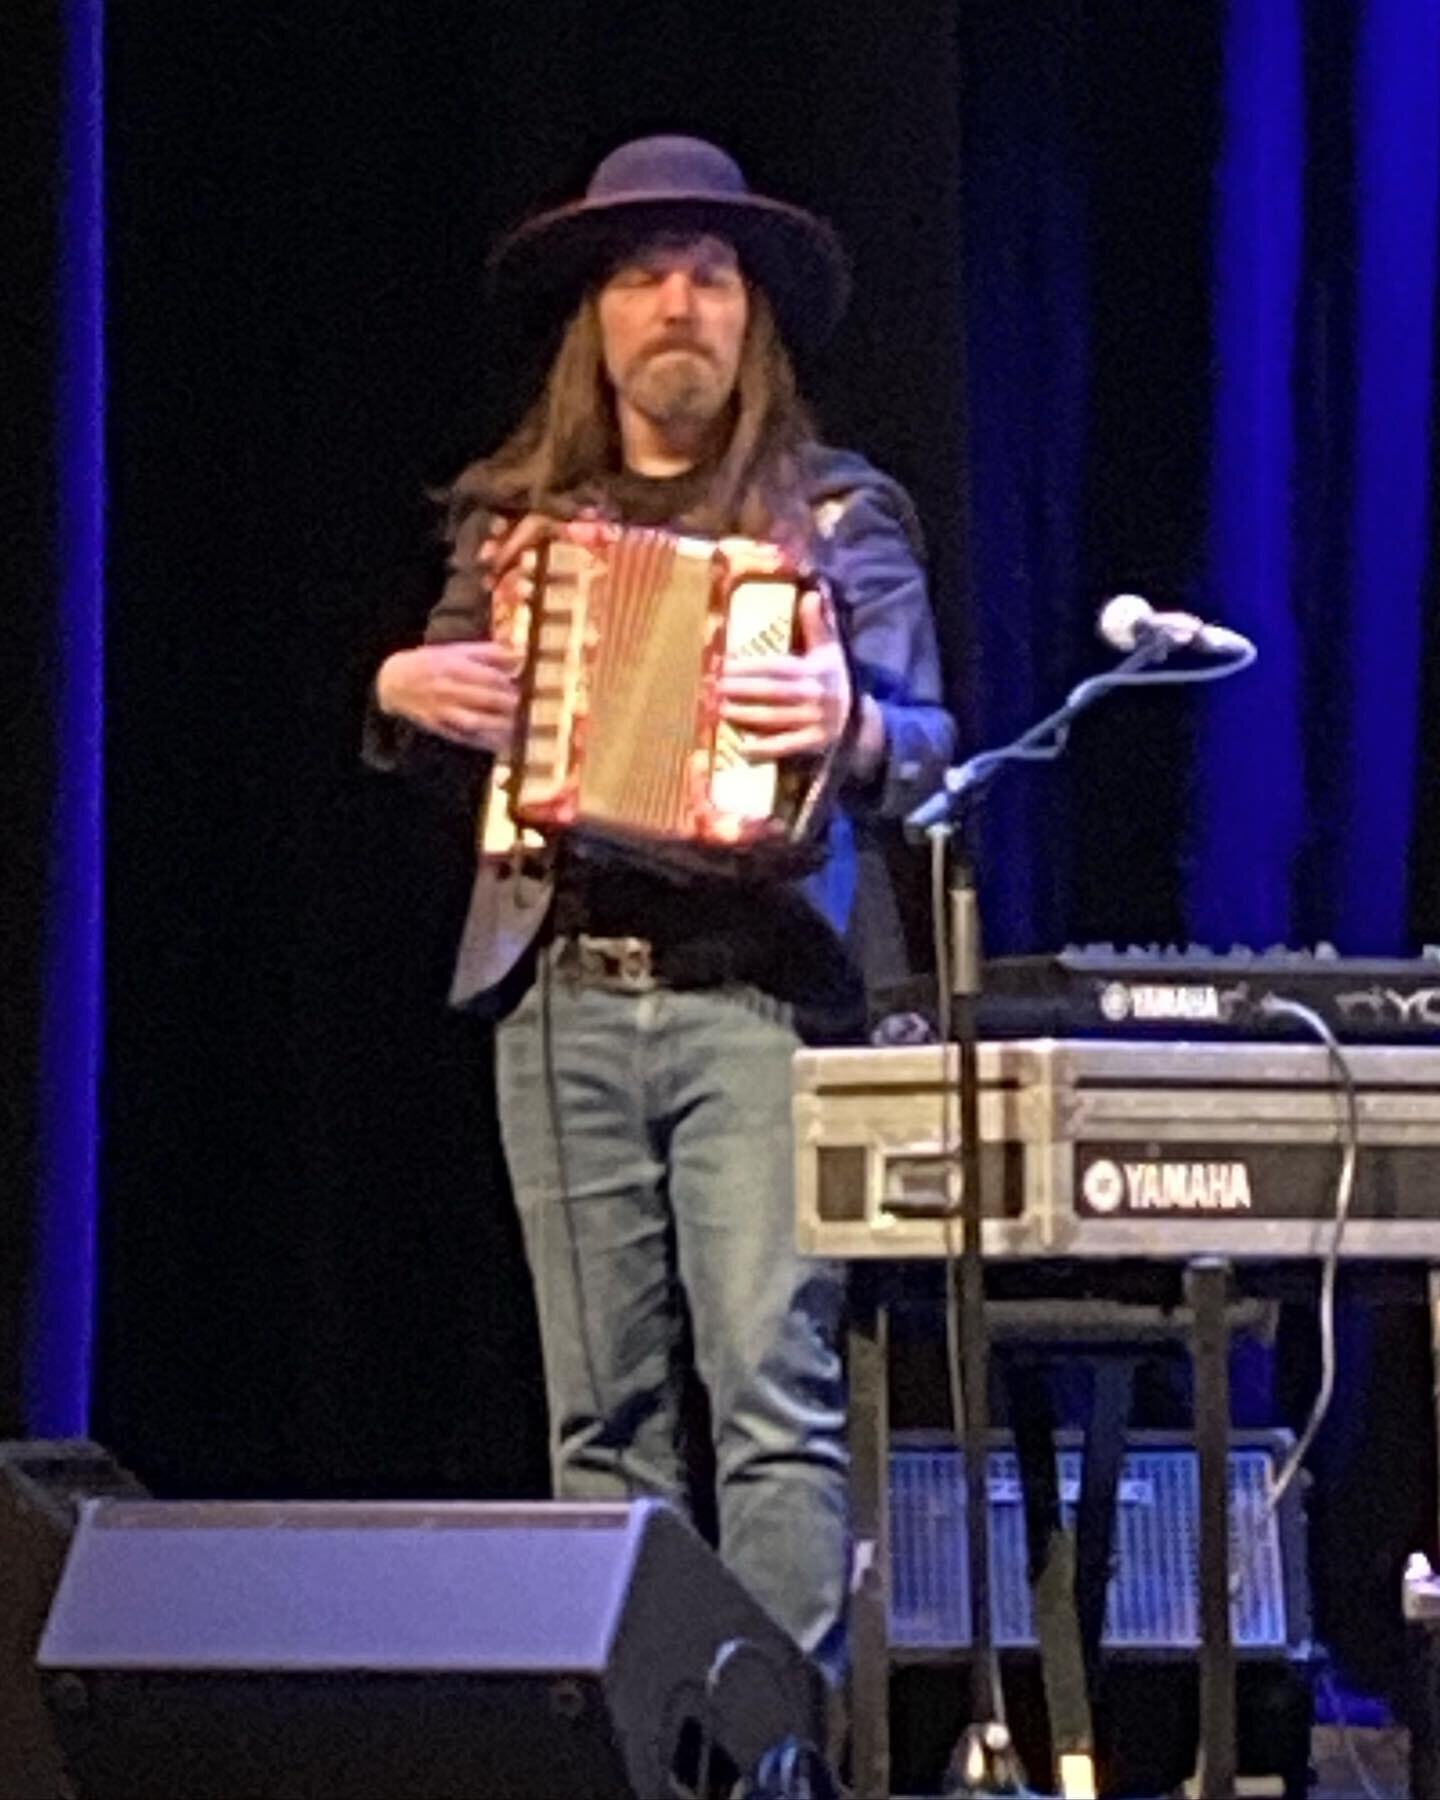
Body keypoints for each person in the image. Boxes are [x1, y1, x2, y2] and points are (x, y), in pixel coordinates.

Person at [367, 135, 955, 1673]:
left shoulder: (836, 519)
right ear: (600, 324)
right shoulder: (515, 521)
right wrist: (400, 687)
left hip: (759, 993)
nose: (676, 305)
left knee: (772, 1400)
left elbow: (934, 749)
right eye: (642, 278)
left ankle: (771, 1764)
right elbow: (450, 722)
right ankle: (626, 1751)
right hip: (557, 992)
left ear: (750, 318)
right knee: (600, 1412)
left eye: (708, 276)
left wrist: (850, 721)